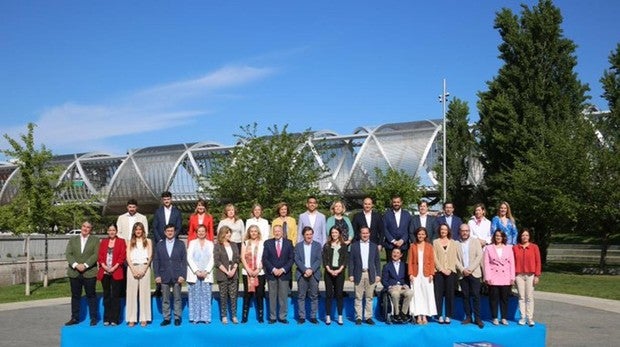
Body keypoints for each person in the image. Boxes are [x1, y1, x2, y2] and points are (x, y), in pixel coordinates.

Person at [65, 221, 100, 326]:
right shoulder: (72, 239)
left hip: (89, 272)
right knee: (75, 296)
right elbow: (68, 254)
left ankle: (93, 318)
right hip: (74, 272)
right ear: (81, 227)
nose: (85, 228)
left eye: (88, 227)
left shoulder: (95, 240)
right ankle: (75, 318)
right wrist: (76, 265)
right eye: (84, 226)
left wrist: (85, 265)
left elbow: (95, 255)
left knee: (91, 295)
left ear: (91, 229)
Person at [154, 224, 187, 326]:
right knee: (165, 298)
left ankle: (177, 317)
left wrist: (183, 275)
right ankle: (167, 318)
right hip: (164, 275)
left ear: (174, 232)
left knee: (177, 298)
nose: (170, 232)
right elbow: (156, 261)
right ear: (164, 232)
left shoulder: (180, 244)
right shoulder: (160, 245)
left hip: (177, 275)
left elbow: (184, 261)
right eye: (168, 231)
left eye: (171, 231)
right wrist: (157, 275)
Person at [152, 191, 183, 297]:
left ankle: (176, 288)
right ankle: (158, 288)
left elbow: (179, 227)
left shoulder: (177, 212)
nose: (166, 201)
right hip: (160, 242)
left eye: (168, 199)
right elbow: (154, 227)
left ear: (171, 199)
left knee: (173, 264)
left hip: (173, 242)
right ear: (162, 200)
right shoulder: (158, 212)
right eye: (164, 199)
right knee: (160, 264)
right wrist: (160, 240)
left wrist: (172, 237)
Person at [262, 224, 294, 324]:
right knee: (272, 296)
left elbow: (291, 259)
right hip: (272, 274)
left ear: (282, 232)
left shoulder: (289, 243)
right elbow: (265, 259)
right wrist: (273, 269)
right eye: (275, 231)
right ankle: (272, 317)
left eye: (278, 231)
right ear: (273, 232)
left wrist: (283, 269)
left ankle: (282, 316)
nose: (277, 233)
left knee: (283, 296)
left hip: (284, 274)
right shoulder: (267, 243)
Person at [349, 226, 381, 325]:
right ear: (360, 234)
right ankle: (358, 317)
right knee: (358, 297)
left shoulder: (374, 246)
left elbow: (377, 262)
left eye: (367, 233)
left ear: (369, 234)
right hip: (358, 273)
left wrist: (378, 274)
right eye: (363, 233)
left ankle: (368, 317)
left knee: (369, 297)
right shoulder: (354, 246)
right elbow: (351, 262)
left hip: (370, 274)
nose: (365, 235)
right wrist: (351, 274)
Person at [97, 223, 127, 326]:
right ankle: (106, 318)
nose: (111, 232)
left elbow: (122, 256)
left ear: (116, 231)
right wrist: (104, 266)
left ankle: (115, 319)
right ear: (107, 231)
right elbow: (100, 256)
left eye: (113, 230)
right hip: (105, 271)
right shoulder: (104, 242)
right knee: (106, 295)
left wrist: (114, 267)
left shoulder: (121, 242)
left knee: (115, 296)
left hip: (116, 271)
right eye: (110, 230)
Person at [484, 229, 516, 326]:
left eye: (500, 236)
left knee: (504, 299)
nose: (498, 237)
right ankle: (494, 317)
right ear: (494, 237)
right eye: (497, 235)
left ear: (503, 237)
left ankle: (504, 317)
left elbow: (512, 263)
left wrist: (512, 277)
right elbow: (486, 263)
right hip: (493, 276)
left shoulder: (509, 248)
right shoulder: (488, 248)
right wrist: (487, 277)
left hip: (506, 276)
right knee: (494, 298)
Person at [455, 223, 484, 329]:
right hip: (463, 274)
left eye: (467, 230)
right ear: (460, 231)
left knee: (476, 296)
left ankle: (477, 318)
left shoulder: (475, 241)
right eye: (463, 231)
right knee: (465, 296)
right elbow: (455, 258)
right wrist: (463, 269)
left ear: (469, 231)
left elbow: (479, 255)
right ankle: (468, 317)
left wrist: (470, 269)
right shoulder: (456, 243)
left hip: (474, 273)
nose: (465, 232)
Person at [125, 222, 152, 327]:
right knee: (131, 294)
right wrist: (133, 270)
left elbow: (150, 256)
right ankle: (132, 318)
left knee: (144, 294)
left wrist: (144, 269)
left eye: (140, 229)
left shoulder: (148, 241)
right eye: (136, 229)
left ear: (143, 230)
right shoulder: (130, 242)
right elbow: (127, 257)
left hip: (144, 267)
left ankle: (144, 318)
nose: (138, 231)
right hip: (132, 268)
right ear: (134, 231)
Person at [408, 226, 436, 325]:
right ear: (416, 235)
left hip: (427, 273)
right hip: (415, 273)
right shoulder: (412, 246)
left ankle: (425, 315)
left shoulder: (429, 246)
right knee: (417, 294)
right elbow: (410, 261)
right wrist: (410, 273)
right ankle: (418, 315)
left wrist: (432, 273)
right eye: (419, 234)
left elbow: (432, 261)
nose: (421, 236)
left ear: (425, 235)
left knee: (426, 293)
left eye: (423, 234)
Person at [186, 224, 214, 324]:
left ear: (206, 232)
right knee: (195, 296)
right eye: (199, 231)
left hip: (206, 274)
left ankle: (205, 318)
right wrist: (196, 271)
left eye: (203, 231)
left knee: (206, 296)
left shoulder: (210, 244)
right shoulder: (192, 243)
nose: (201, 233)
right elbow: (189, 258)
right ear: (196, 233)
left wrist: (206, 271)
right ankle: (195, 317)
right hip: (195, 274)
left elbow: (212, 258)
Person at [513, 228, 542, 326]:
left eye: (526, 235)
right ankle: (523, 317)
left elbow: (538, 262)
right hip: (519, 275)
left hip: (530, 275)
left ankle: (530, 318)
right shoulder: (515, 248)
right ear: (520, 237)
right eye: (523, 235)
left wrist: (537, 275)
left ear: (529, 237)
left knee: (529, 297)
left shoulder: (534, 247)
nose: (524, 237)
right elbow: (512, 262)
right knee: (521, 297)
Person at [294, 226, 322, 324]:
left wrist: (311, 270)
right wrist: (305, 270)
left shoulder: (318, 245)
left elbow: (319, 260)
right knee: (301, 296)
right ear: (303, 235)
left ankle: (313, 316)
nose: (309, 236)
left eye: (310, 234)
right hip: (302, 274)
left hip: (314, 274)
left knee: (314, 296)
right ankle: (302, 317)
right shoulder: (298, 246)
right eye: (307, 234)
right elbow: (296, 260)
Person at [433, 223, 459, 324]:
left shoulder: (453, 242)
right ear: (439, 231)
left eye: (445, 229)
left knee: (450, 294)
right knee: (438, 294)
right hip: (439, 272)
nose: (443, 231)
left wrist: (450, 269)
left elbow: (454, 257)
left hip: (450, 272)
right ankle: (439, 315)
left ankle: (448, 315)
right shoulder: (435, 242)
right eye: (442, 229)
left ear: (448, 231)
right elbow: (434, 257)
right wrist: (441, 269)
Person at [214, 225, 240, 324]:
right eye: (227, 232)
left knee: (233, 296)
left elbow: (237, 258)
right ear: (222, 234)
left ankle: (234, 316)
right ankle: (224, 316)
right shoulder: (217, 246)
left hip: (234, 274)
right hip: (222, 274)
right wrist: (226, 271)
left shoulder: (234, 245)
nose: (229, 234)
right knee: (223, 296)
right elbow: (217, 261)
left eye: (230, 232)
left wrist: (233, 270)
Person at [322, 226, 348, 325]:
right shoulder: (327, 245)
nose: (334, 234)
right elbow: (324, 259)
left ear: (339, 234)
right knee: (329, 294)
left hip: (340, 272)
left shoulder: (344, 245)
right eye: (332, 232)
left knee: (339, 294)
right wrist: (329, 270)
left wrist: (339, 270)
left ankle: (340, 316)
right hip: (329, 272)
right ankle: (328, 316)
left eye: (336, 232)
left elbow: (345, 259)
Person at [240, 224, 266, 323]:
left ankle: (260, 317)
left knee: (260, 294)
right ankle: (244, 317)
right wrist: (249, 270)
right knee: (247, 294)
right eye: (251, 231)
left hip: (260, 272)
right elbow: (242, 257)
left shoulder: (263, 243)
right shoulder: (245, 243)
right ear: (249, 233)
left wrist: (257, 270)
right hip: (247, 272)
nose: (254, 233)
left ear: (258, 232)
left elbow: (264, 258)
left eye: (255, 231)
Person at [382, 248, 414, 323]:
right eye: (394, 252)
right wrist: (389, 286)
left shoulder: (405, 266)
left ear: (401, 255)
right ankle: (396, 314)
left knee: (410, 293)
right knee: (395, 294)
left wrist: (406, 285)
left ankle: (403, 313)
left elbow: (407, 278)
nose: (395, 254)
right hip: (392, 287)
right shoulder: (387, 266)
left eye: (397, 253)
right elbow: (384, 280)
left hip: (402, 287)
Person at [384, 194, 412, 261]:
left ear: (401, 202)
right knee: (390, 267)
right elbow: (384, 229)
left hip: (403, 245)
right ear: (392, 203)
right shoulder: (386, 214)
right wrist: (393, 241)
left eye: (398, 202)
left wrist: (403, 240)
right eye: (394, 202)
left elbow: (409, 229)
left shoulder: (407, 214)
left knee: (403, 267)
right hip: (390, 245)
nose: (396, 204)